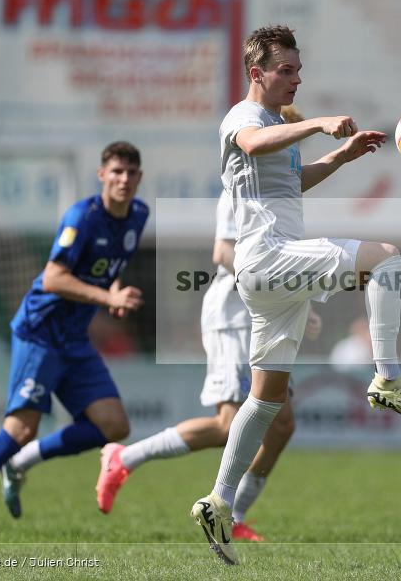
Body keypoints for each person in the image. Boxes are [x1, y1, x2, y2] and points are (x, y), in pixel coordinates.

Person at [190, 25, 401, 565]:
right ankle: (387, 378)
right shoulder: (244, 117)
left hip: (264, 277)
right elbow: (252, 142)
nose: (295, 79)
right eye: (285, 70)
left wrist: (342, 156)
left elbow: (292, 181)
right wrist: (317, 123)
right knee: (386, 257)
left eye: (298, 70)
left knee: (265, 400)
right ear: (256, 73)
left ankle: (218, 500)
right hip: (269, 257)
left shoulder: (274, 125)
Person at [0, 141, 149, 537]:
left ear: (139, 177)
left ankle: (20, 462)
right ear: (102, 175)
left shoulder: (138, 215)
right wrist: (108, 299)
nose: (124, 179)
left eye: (131, 173)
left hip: (74, 338)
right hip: (41, 332)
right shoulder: (82, 216)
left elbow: (111, 263)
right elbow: (53, 278)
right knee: (19, 429)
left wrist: (115, 289)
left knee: (114, 425)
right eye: (116, 172)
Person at [94, 190, 322, 542]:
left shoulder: (282, 189)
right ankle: (124, 458)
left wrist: (298, 302)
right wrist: (283, 290)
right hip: (233, 319)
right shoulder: (242, 187)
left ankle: (234, 516)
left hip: (265, 318)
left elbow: (279, 260)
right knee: (230, 425)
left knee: (281, 425)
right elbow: (224, 252)